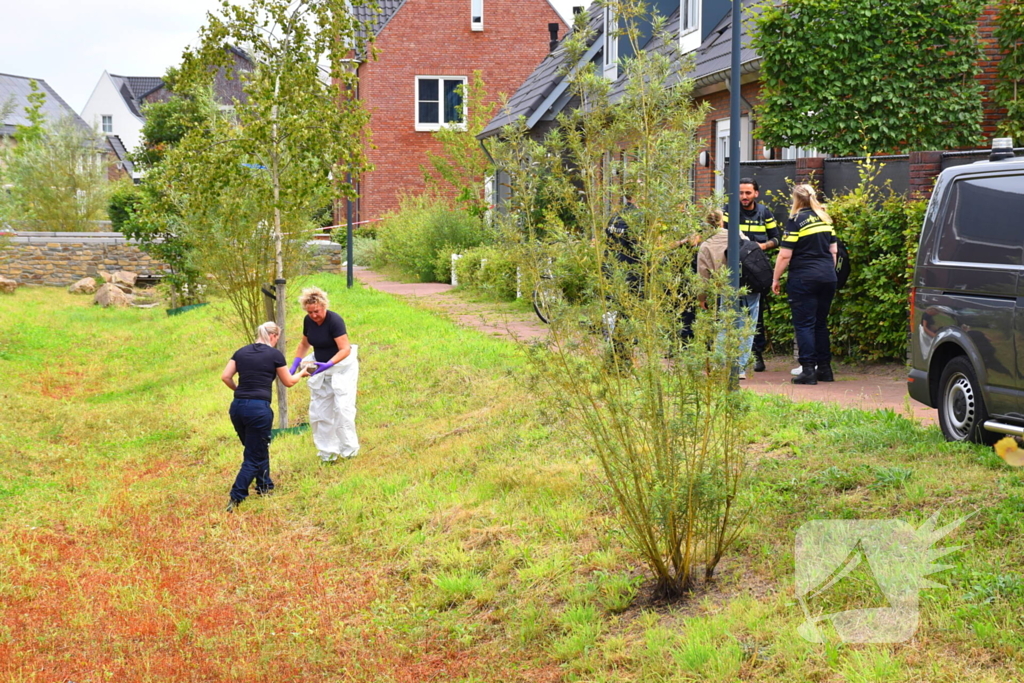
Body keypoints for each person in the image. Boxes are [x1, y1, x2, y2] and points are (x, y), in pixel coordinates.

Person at [221, 321, 309, 512]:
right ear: (274, 336)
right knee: (253, 455)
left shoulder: (241, 352)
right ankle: (236, 497)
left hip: (237, 407)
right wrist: (302, 373)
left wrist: (239, 391)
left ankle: (264, 486)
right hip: (258, 409)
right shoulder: (274, 354)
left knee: (256, 447)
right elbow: (288, 382)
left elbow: (226, 376)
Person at [772, 184, 837, 385]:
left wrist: (775, 279)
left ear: (796, 200)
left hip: (804, 277)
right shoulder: (825, 219)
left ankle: (808, 370)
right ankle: (825, 369)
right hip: (827, 276)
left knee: (804, 324)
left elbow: (785, 255)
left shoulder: (795, 220)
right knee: (820, 323)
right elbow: (834, 251)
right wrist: (827, 271)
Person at [289, 286, 359, 463]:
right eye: (310, 312)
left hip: (341, 368)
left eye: (316, 311)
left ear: (324, 306)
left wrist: (328, 364)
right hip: (320, 367)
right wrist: (295, 363)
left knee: (343, 409)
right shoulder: (309, 321)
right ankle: (327, 453)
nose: (313, 315)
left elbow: (345, 349)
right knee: (320, 412)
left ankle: (349, 451)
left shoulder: (334, 320)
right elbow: (304, 344)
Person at [723, 178, 780, 372]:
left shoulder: (764, 212)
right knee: (730, 312)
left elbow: (777, 238)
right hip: (733, 270)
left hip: (756, 270)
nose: (744, 197)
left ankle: (756, 354)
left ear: (756, 193)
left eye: (748, 193)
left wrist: (761, 246)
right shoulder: (728, 210)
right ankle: (732, 356)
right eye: (740, 193)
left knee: (757, 315)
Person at [697, 208, 758, 379]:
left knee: (725, 325)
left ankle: (718, 364)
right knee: (748, 326)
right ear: (722, 221)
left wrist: (702, 298)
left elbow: (703, 276)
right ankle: (740, 368)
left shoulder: (706, 245)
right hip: (750, 285)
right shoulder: (737, 234)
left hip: (727, 287)